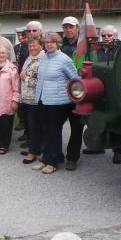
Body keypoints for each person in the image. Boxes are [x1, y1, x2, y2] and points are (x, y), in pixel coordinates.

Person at [34, 32, 78, 174]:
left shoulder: (64, 59)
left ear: (58, 44)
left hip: (58, 102)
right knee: (45, 130)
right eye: (46, 42)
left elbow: (75, 79)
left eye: (52, 42)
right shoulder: (43, 57)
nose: (49, 44)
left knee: (54, 131)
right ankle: (46, 158)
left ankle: (53, 162)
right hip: (43, 99)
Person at [59, 16, 85, 170]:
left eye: (71, 27)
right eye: (66, 27)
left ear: (78, 28)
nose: (68, 30)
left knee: (76, 128)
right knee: (55, 125)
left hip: (77, 92)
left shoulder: (85, 45)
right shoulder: (59, 44)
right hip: (60, 91)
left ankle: (72, 158)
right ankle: (56, 153)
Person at [95, 25, 121, 164]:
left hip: (115, 90)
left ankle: (118, 151)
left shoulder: (120, 50)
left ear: (115, 36)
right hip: (100, 88)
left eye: (109, 35)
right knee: (98, 116)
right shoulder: (97, 51)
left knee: (115, 121)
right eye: (104, 35)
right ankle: (98, 145)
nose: (106, 38)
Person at [19, 35, 43, 165]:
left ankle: (33, 153)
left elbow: (41, 81)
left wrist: (25, 79)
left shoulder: (43, 59)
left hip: (35, 99)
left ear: (41, 45)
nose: (32, 48)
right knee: (29, 126)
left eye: (34, 45)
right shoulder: (30, 57)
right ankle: (34, 149)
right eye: (30, 46)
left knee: (34, 127)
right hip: (26, 98)